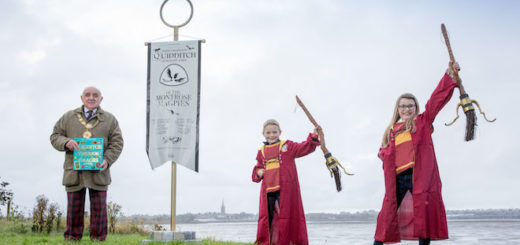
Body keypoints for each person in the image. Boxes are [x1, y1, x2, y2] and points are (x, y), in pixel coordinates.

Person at [373, 62, 460, 245]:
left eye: (410, 106)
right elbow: (383, 153)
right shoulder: (391, 131)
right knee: (386, 215)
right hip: (397, 178)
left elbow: (436, 100)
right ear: (398, 109)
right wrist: (383, 153)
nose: (406, 109)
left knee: (424, 216)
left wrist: (449, 75)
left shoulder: (422, 122)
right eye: (403, 106)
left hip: (418, 176)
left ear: (416, 107)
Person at [50, 87, 123, 241]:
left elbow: (117, 143)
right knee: (74, 209)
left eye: (95, 95)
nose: (91, 98)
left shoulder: (110, 119)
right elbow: (55, 136)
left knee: (99, 210)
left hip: (99, 172)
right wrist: (66, 142)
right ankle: (72, 238)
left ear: (101, 99)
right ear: (82, 98)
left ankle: (98, 240)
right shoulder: (69, 117)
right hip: (74, 172)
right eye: (87, 95)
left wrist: (107, 160)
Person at [252, 119, 321, 245]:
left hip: (285, 189)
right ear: (263, 134)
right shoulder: (261, 151)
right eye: (268, 133)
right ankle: (267, 242)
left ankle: (287, 241)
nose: (271, 135)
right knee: (267, 218)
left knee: (287, 216)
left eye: (274, 132)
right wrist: (259, 171)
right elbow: (258, 166)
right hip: (268, 190)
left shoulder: (287, 146)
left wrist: (314, 135)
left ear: (280, 132)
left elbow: (304, 147)